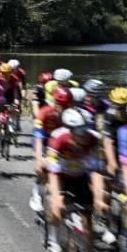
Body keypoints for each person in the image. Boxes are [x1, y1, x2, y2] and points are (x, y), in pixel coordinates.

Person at [45, 108, 104, 252]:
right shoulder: (58, 139)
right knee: (56, 207)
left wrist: (99, 198)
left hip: (80, 178)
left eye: (85, 130)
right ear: (70, 131)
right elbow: (53, 173)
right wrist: (56, 196)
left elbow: (96, 172)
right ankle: (54, 242)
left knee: (88, 222)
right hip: (61, 177)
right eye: (79, 132)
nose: (83, 136)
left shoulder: (93, 139)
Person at [30, 86, 73, 215]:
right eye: (60, 104)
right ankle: (37, 193)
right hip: (43, 142)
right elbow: (38, 138)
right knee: (43, 167)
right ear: (55, 102)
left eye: (66, 105)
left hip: (61, 144)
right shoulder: (44, 113)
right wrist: (39, 159)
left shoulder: (72, 115)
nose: (63, 108)